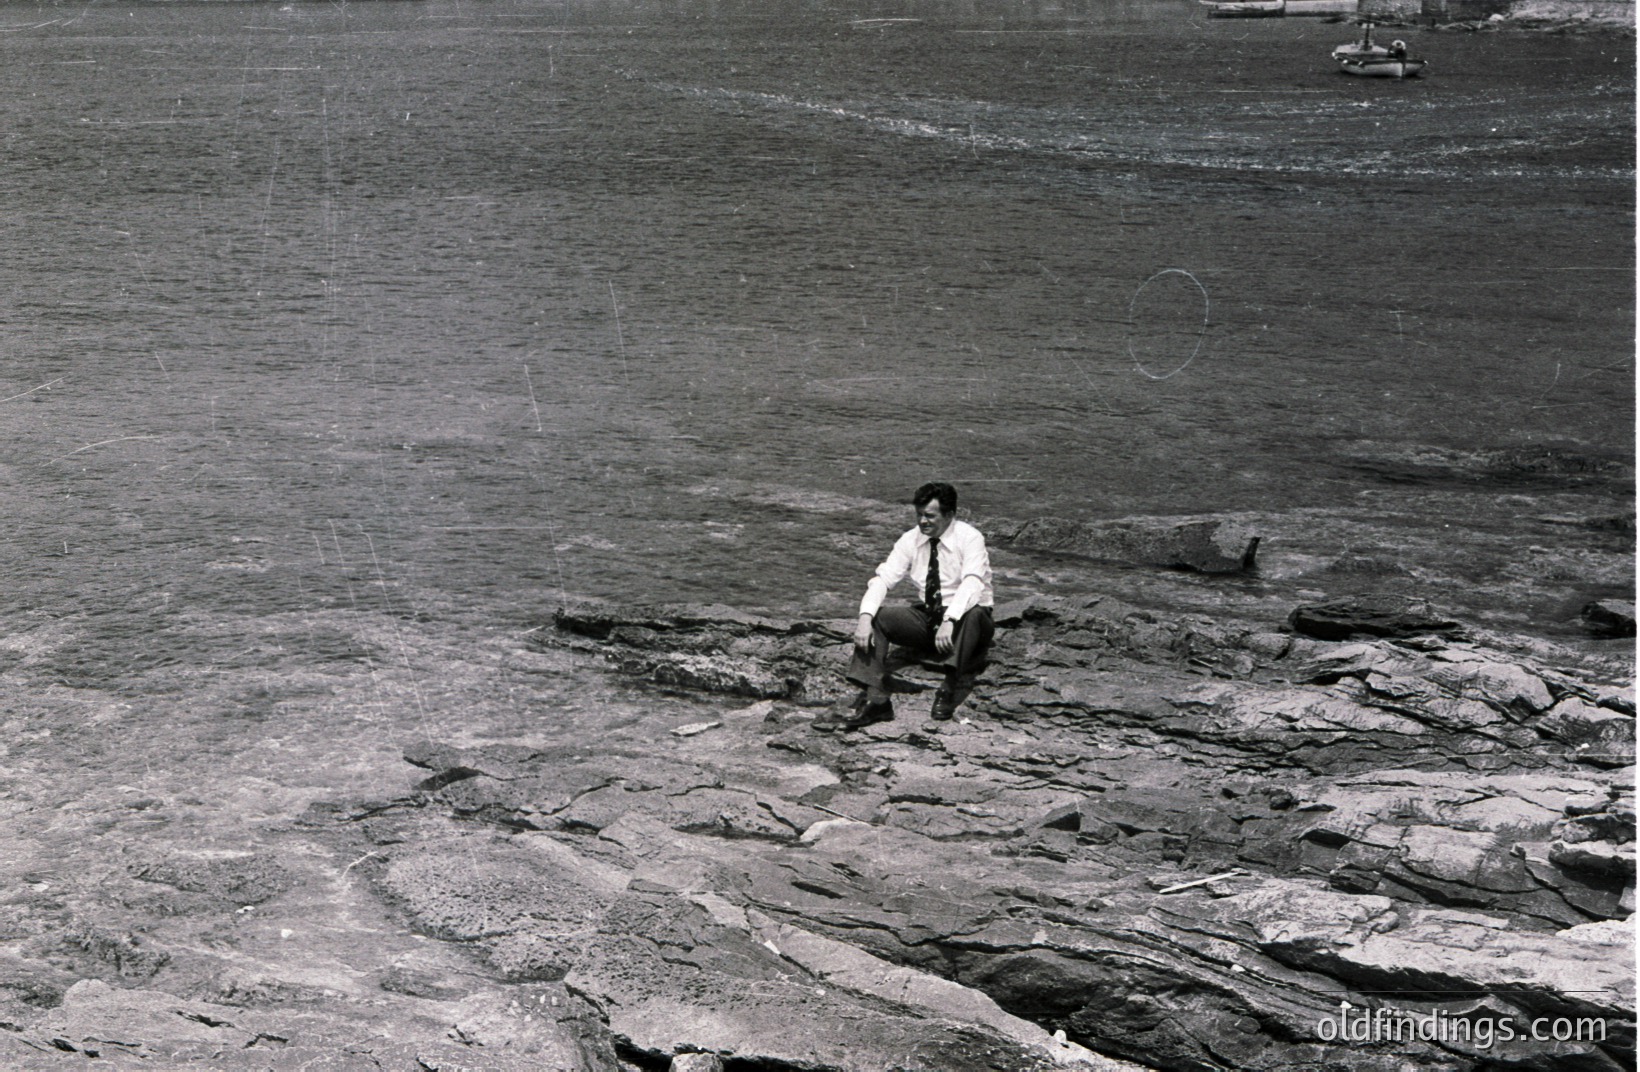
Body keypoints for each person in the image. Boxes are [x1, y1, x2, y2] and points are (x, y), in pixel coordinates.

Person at [821, 481, 995, 731]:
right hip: (932, 618)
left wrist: (950, 620)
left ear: (949, 515)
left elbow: (972, 584)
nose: (922, 521)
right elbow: (883, 578)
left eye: (929, 516)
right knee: (880, 617)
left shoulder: (970, 538)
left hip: (970, 622)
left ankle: (948, 688)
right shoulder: (910, 539)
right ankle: (877, 699)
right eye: (919, 515)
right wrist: (864, 617)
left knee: (975, 612)